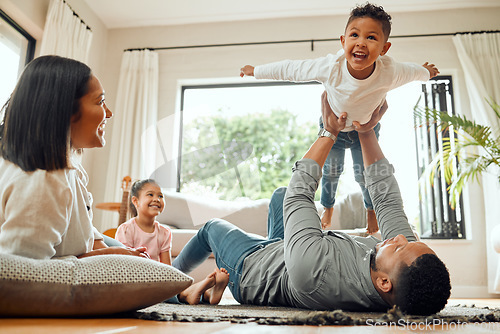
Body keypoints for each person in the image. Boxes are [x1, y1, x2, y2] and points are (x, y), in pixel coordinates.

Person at [172, 92, 451, 315]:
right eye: (408, 240)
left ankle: (172, 286)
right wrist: (367, 134)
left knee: (211, 228)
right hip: (287, 253)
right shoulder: (396, 272)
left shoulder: (316, 274)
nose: (399, 237)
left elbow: (300, 193)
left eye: (400, 245)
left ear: (383, 283)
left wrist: (329, 132)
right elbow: (387, 200)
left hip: (251, 269)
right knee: (279, 195)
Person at [0, 55, 224, 305]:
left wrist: (107, 250)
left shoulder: (67, 166)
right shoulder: (42, 182)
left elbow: (82, 227)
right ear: (64, 110)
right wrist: (102, 257)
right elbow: (22, 274)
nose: (109, 112)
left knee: (137, 257)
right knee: (148, 267)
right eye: (100, 101)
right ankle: (183, 291)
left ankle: (184, 290)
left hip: (90, 240)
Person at [239, 3, 440, 234]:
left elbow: (414, 72)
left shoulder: (390, 71)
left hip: (365, 129)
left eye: (371, 37)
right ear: (343, 41)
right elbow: (291, 69)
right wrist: (256, 71)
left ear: (384, 48)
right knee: (331, 171)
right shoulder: (330, 67)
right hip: (333, 128)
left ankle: (371, 211)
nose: (361, 42)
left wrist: (426, 73)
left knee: (363, 175)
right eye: (354, 34)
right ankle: (328, 207)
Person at [116, 178, 229, 304]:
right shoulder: (126, 230)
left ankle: (204, 294)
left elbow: (168, 269)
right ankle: (197, 293)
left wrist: (169, 282)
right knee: (159, 294)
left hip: (159, 278)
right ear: (135, 201)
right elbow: (124, 266)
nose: (156, 199)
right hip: (136, 279)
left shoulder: (164, 232)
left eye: (160, 196)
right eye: (150, 195)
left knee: (168, 286)